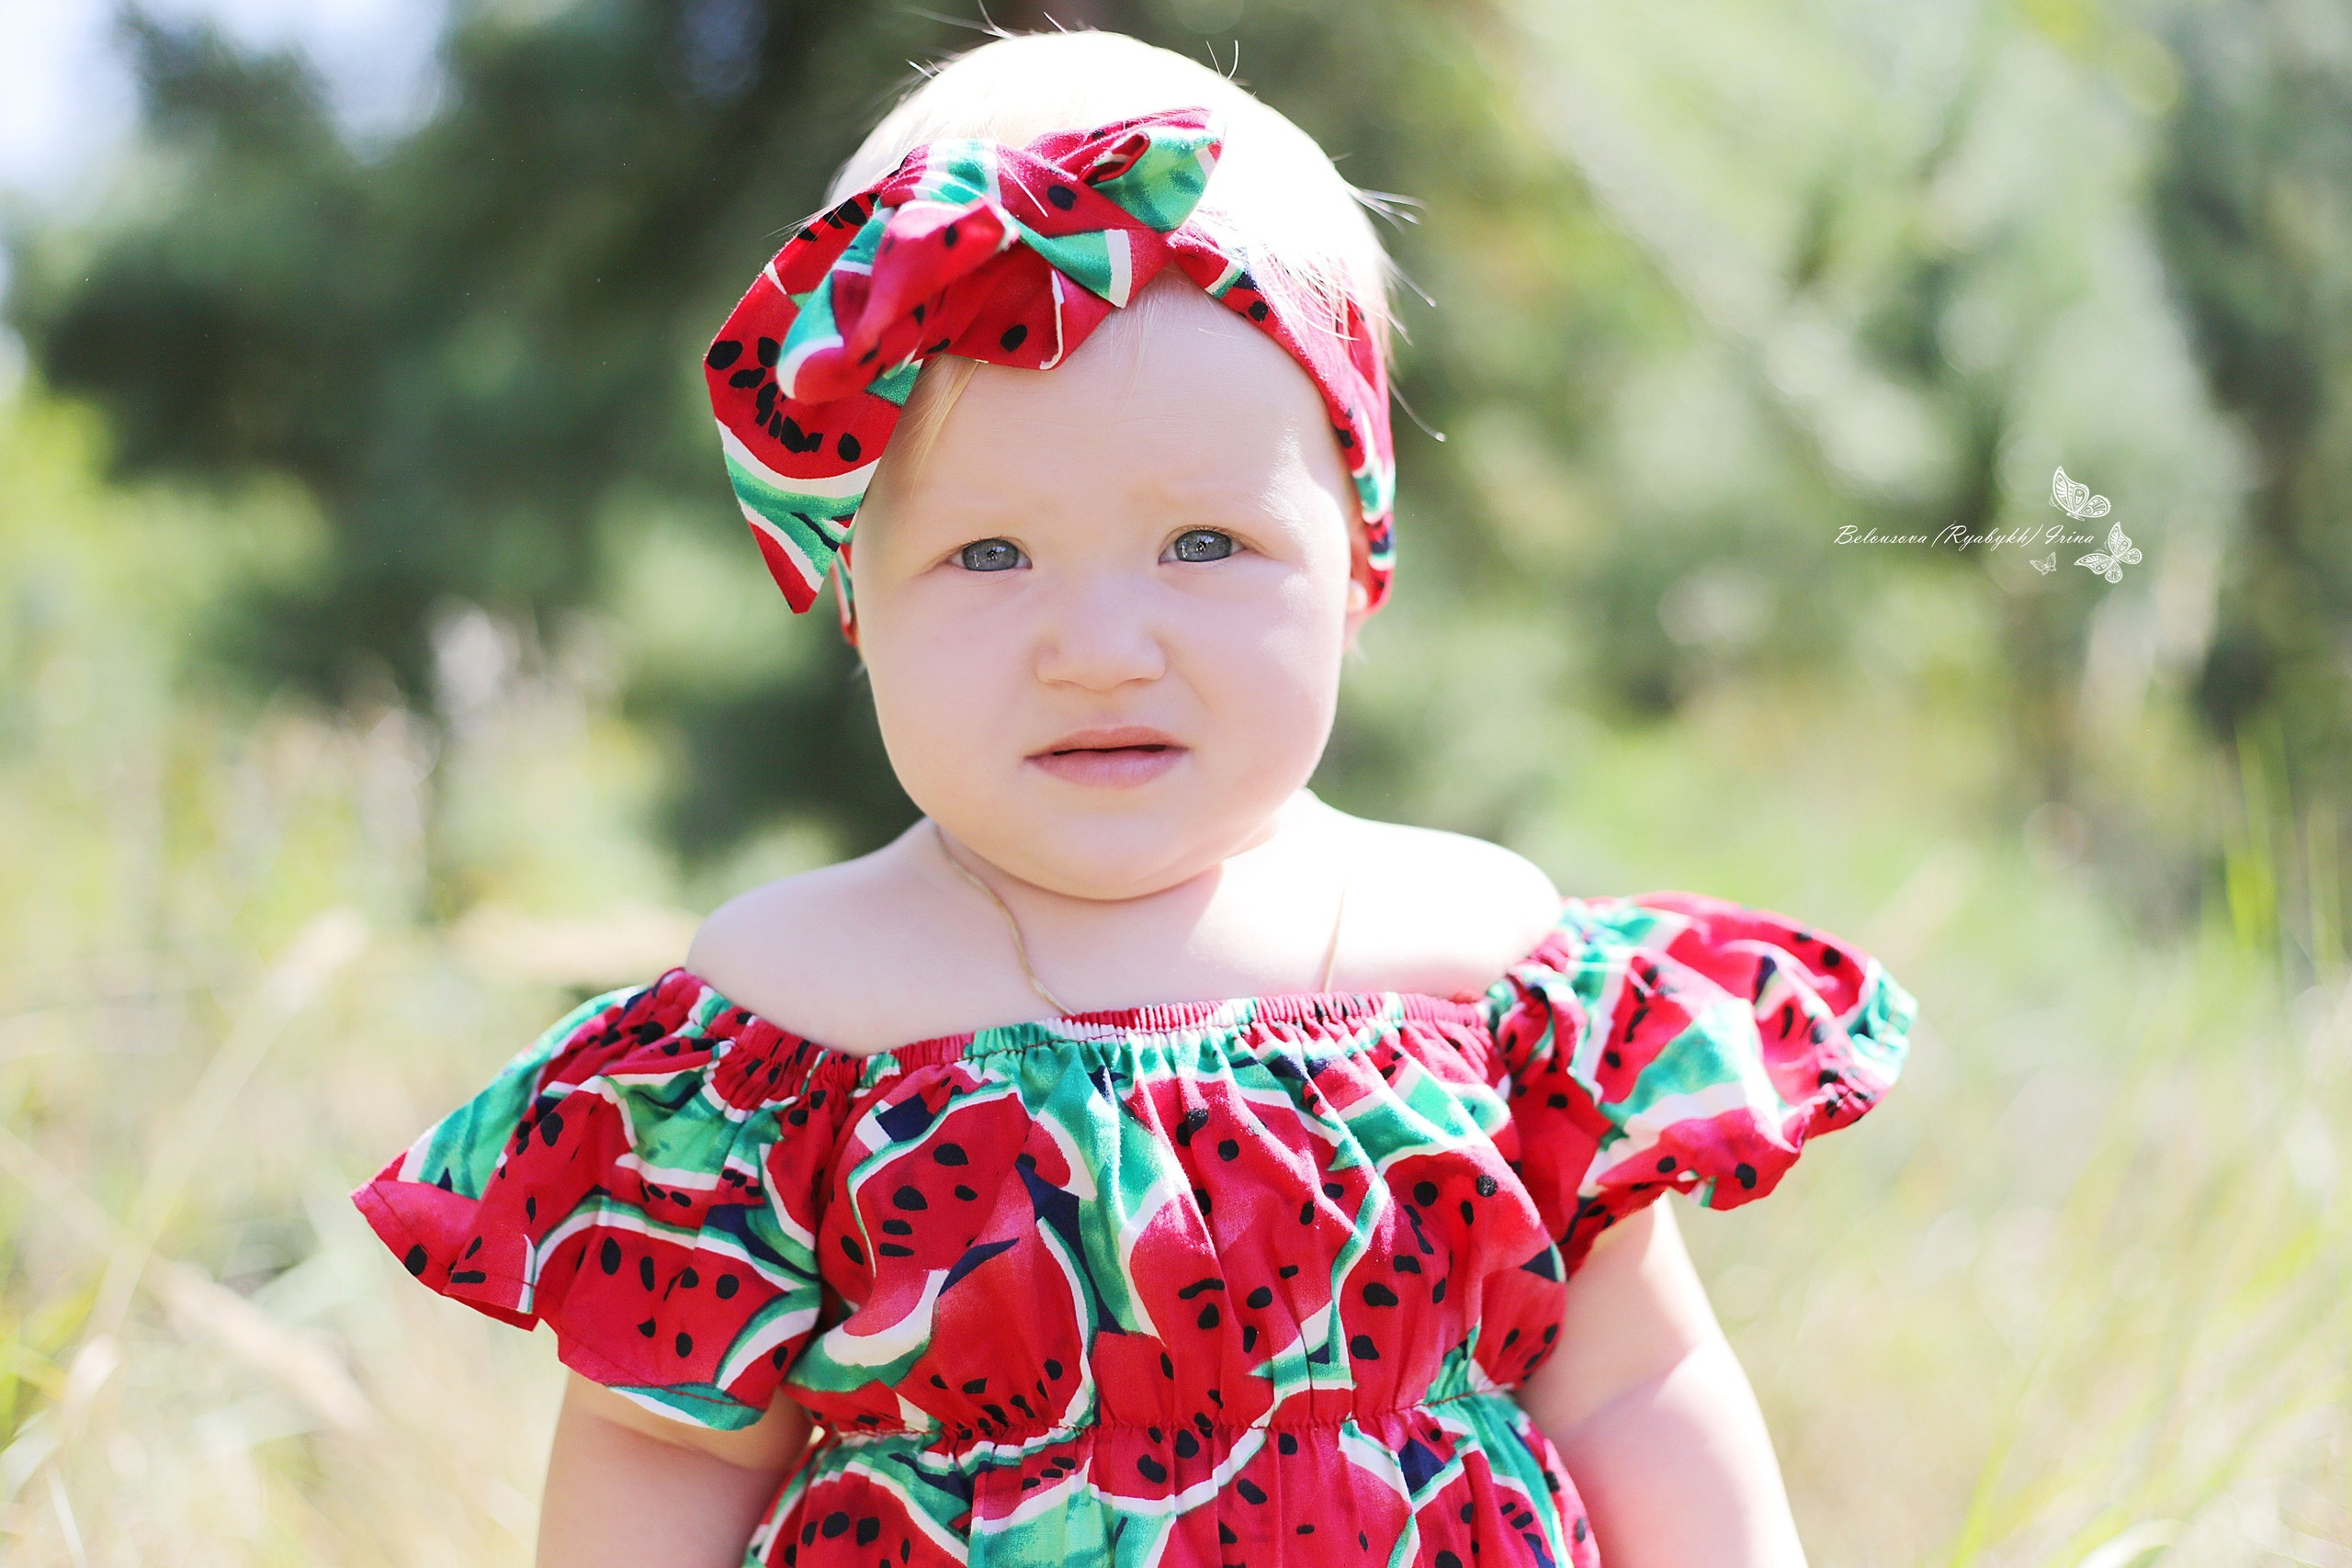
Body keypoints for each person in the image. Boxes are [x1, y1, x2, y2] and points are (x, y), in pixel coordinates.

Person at [350, 28, 1916, 1568]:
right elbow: (666, 1448)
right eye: (989, 554)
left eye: (1204, 546)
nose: (1099, 649)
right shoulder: (791, 1015)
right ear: (853, 592)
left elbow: (1638, 1382)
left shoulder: (1485, 966)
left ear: (1357, 563)